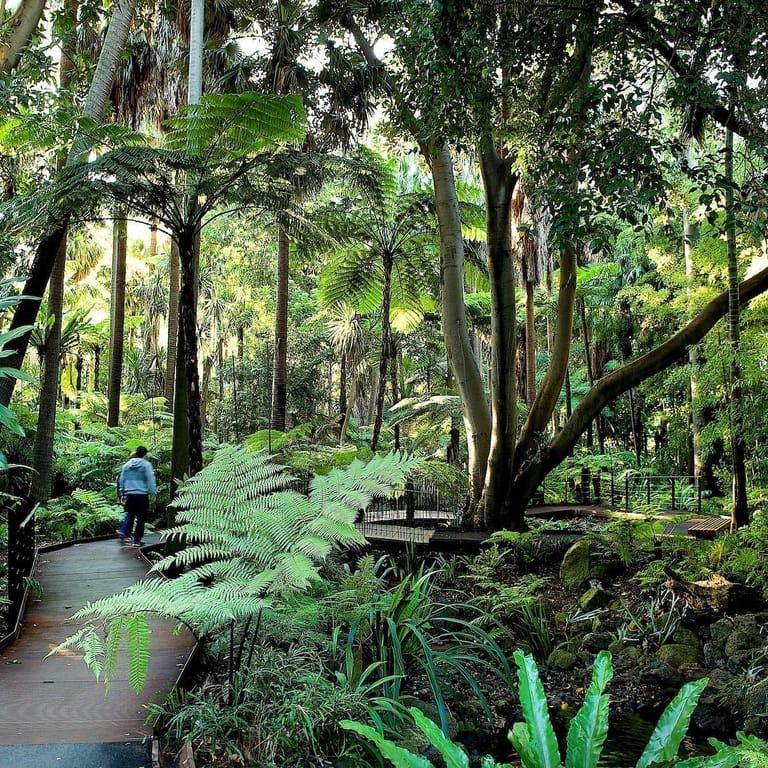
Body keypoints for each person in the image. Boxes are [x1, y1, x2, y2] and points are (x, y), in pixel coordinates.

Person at [116, 446, 156, 547]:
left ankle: (125, 533)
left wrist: (122, 491)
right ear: (145, 454)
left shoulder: (127, 465)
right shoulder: (146, 465)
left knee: (130, 514)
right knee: (141, 518)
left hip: (130, 494)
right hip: (142, 494)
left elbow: (122, 479)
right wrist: (152, 492)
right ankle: (137, 540)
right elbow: (150, 479)